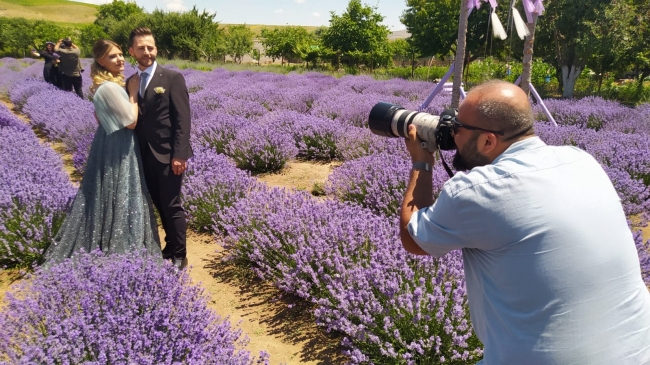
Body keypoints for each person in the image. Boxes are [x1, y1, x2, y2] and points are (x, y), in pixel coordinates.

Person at [400, 80, 650, 364]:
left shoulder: (476, 190)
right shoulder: (581, 160)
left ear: (487, 141)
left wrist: (422, 161)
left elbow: (414, 238)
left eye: (457, 128)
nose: (451, 132)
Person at [43, 39, 161, 266]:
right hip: (117, 146)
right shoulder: (108, 87)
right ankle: (118, 245)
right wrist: (134, 94)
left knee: (116, 192)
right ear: (100, 61)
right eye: (112, 56)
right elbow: (131, 122)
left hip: (114, 143)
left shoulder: (109, 85)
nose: (120, 59)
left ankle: (114, 239)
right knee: (119, 191)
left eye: (120, 54)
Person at [127, 27, 193, 270]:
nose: (147, 52)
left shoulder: (172, 78)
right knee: (158, 204)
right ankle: (169, 246)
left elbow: (182, 120)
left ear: (156, 50)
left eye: (151, 47)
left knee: (172, 204)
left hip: (168, 156)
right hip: (143, 157)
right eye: (142, 48)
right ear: (131, 51)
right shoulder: (131, 82)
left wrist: (180, 154)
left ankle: (179, 254)